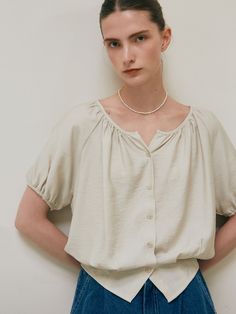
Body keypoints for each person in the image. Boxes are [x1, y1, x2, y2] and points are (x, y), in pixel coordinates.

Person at [15, 0, 236, 313]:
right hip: (102, 297)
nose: (127, 56)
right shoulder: (83, 125)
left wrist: (192, 271)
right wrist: (95, 269)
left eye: (140, 38)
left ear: (165, 38)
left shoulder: (202, 128)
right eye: (114, 44)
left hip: (185, 297)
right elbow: (28, 218)